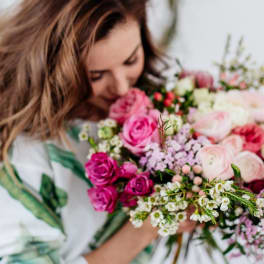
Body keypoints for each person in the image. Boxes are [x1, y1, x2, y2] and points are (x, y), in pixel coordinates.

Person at [0, 0, 194, 263]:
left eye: (131, 60)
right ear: (57, 69)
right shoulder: (28, 153)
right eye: (97, 75)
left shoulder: (158, 108)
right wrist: (146, 229)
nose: (122, 88)